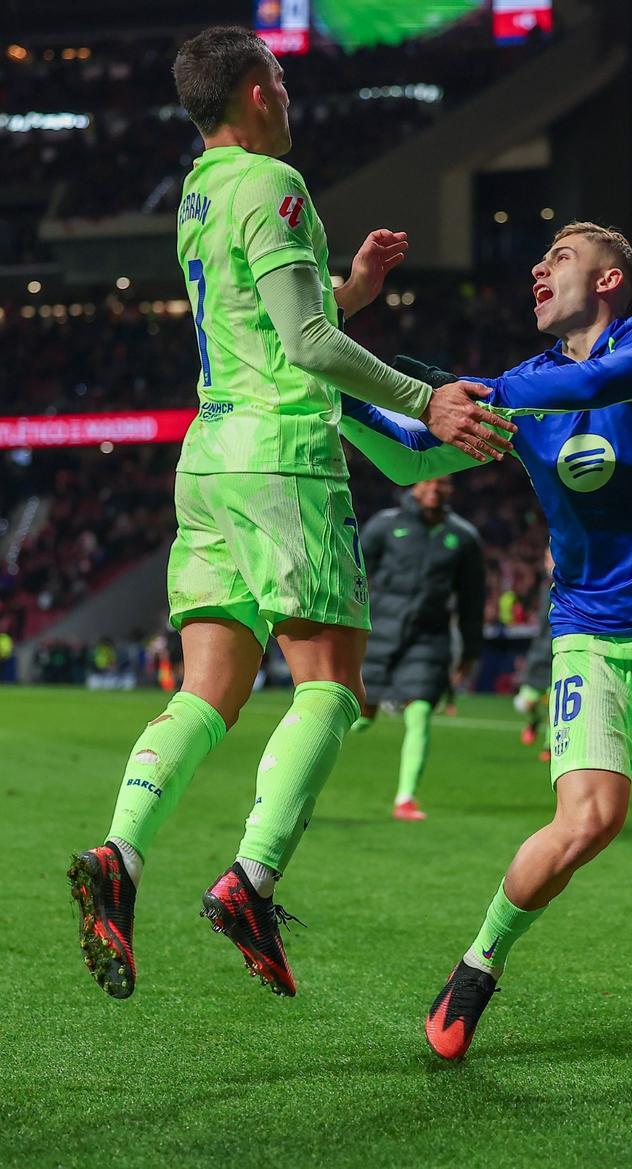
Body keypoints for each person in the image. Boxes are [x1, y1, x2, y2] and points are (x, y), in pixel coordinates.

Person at [66, 25, 513, 1001]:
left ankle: (121, 853)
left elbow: (275, 323)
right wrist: (423, 399)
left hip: (210, 455)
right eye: (281, 75)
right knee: (332, 686)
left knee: (208, 691)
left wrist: (353, 284)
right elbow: (307, 347)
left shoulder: (197, 191)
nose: (292, 92)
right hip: (281, 460)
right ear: (257, 90)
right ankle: (252, 876)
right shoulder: (278, 184)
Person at [340, 221, 632, 1083]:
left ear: (608, 282)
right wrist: (325, 382)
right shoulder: (524, 387)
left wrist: (475, 395)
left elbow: (599, 379)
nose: (538, 267)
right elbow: (404, 450)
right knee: (588, 822)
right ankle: (477, 967)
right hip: (590, 639)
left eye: (559, 258)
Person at [349, 476, 485, 821]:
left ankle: (405, 798)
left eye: (442, 484)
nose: (434, 490)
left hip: (429, 638)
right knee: (360, 720)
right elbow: (354, 578)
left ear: (451, 489)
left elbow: (472, 600)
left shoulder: (464, 538)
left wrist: (470, 652)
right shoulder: (384, 526)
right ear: (414, 486)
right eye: (428, 483)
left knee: (421, 711)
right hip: (380, 633)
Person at [513, 546, 555, 762]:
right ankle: (533, 720)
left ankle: (550, 746)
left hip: (557, 654)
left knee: (553, 705)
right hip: (538, 654)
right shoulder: (542, 585)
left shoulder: (569, 586)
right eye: (548, 557)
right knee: (524, 703)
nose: (550, 561)